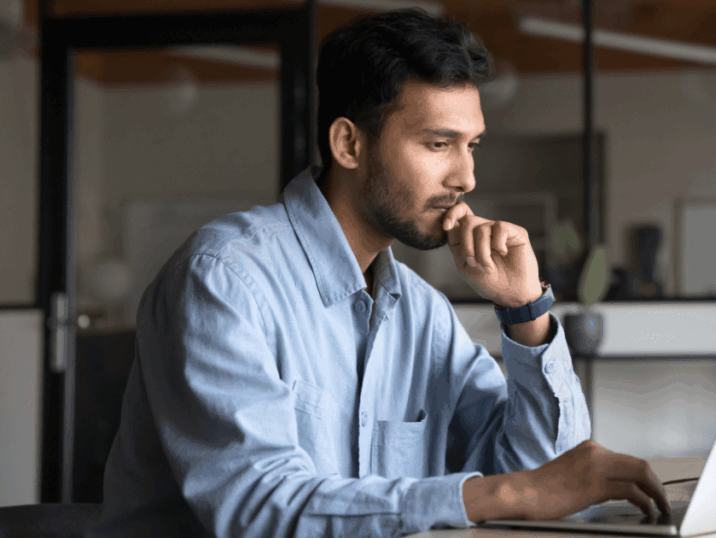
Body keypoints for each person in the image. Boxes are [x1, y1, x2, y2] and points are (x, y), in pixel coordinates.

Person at [86, 9, 669, 538]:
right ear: (348, 144)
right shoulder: (222, 280)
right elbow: (258, 507)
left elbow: (551, 480)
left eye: (473, 147)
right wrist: (514, 492)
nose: (465, 176)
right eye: (439, 144)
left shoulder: (421, 311)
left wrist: (525, 314)